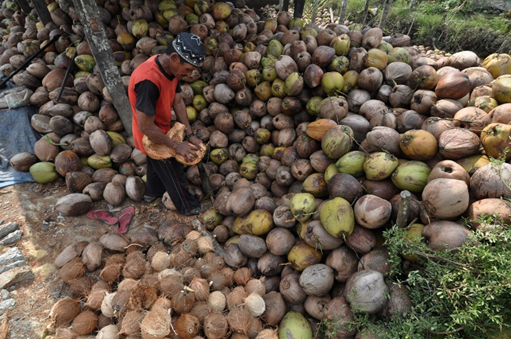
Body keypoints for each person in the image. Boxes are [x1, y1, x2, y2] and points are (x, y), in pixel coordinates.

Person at [128, 32, 210, 216]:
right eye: (188, 69)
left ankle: (152, 193)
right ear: (174, 58)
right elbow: (146, 127)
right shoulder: (148, 81)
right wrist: (176, 145)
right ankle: (188, 206)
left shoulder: (170, 69)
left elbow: (178, 101)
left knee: (156, 166)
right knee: (173, 171)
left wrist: (190, 135)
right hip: (151, 135)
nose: (190, 75)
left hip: (161, 129)